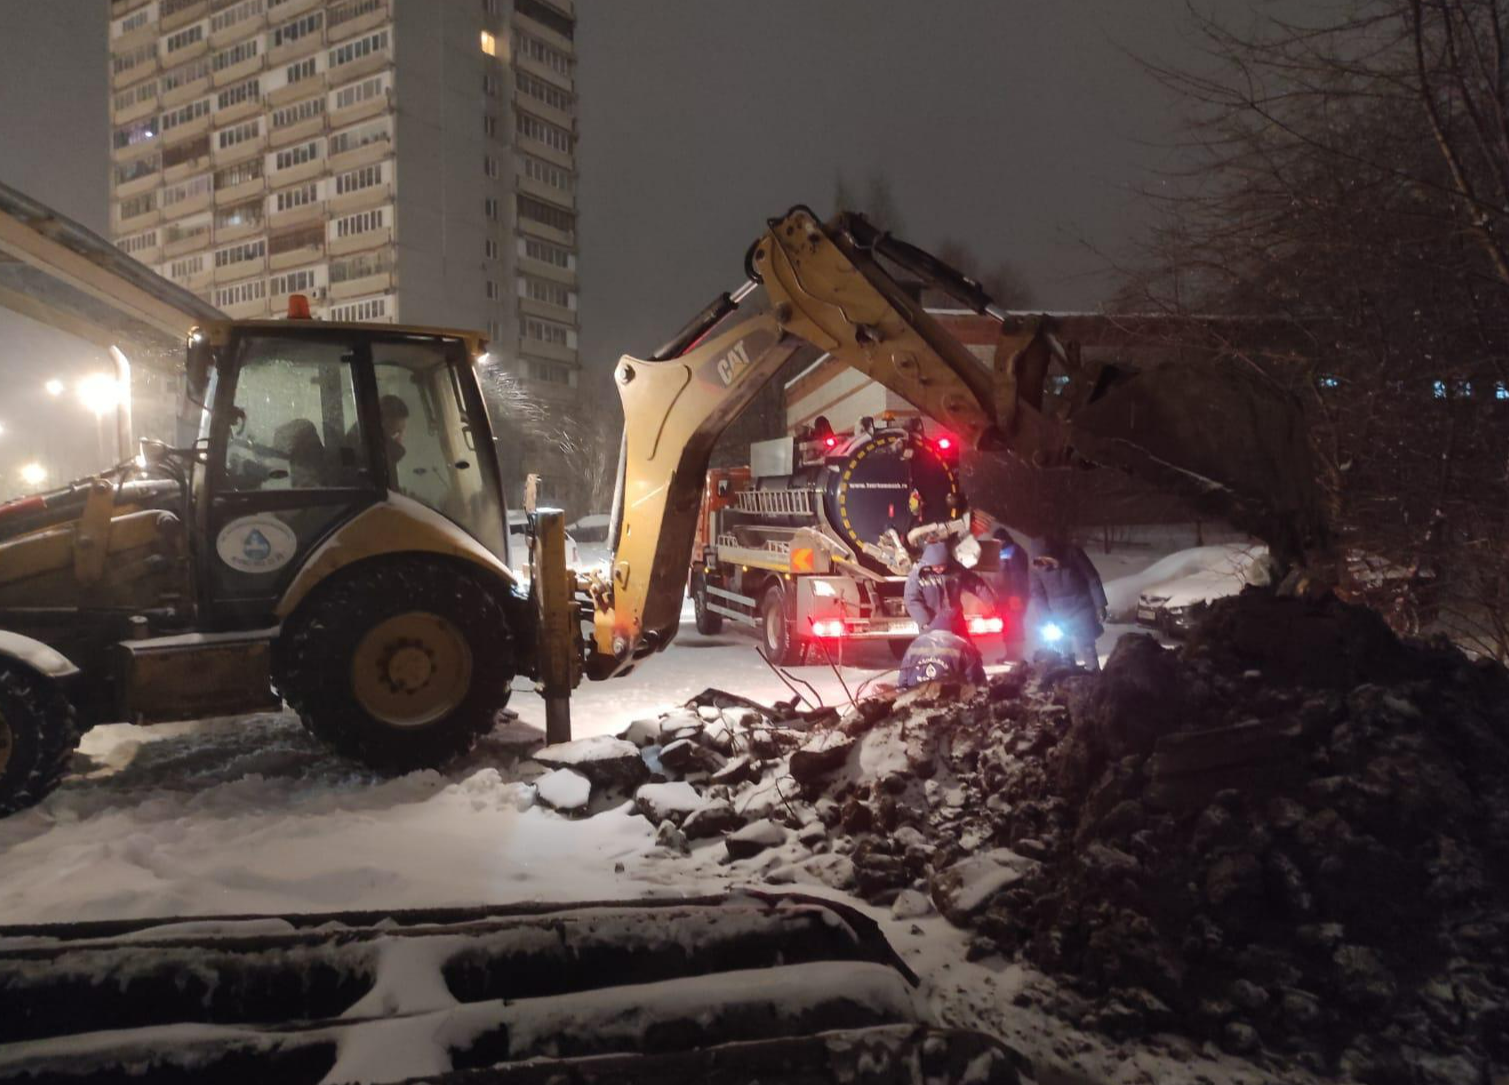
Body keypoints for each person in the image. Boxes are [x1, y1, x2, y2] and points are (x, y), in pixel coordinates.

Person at [1027, 535, 1109, 672]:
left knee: (1086, 646)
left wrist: (1100, 605)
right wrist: (1046, 618)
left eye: (1046, 559)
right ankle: (1066, 679)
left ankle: (1095, 676)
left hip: (1081, 608)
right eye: (1040, 560)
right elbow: (1037, 593)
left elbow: (1092, 577)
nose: (1044, 564)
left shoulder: (1072, 554)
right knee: (1062, 651)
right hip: (1057, 614)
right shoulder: (1035, 568)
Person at [904, 540, 996, 636]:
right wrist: (924, 621)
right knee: (932, 650)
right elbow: (911, 599)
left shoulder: (956, 571)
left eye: (942, 565)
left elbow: (976, 585)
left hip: (955, 622)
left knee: (965, 648)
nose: (939, 569)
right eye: (936, 566)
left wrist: (991, 602)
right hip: (931, 624)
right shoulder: (918, 575)